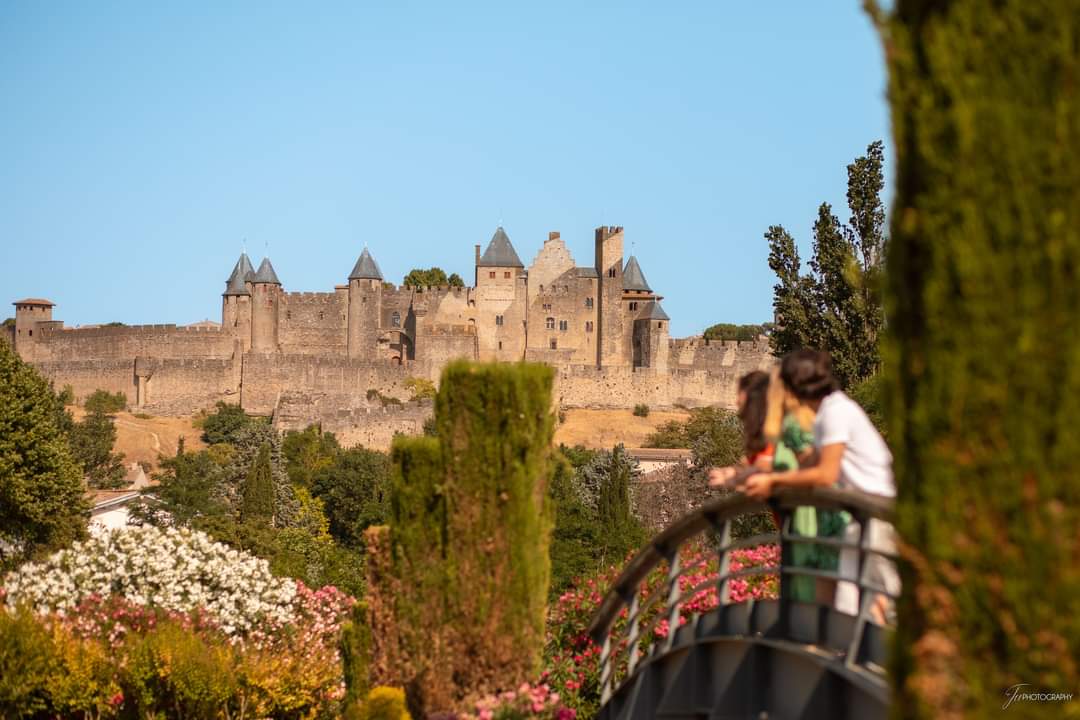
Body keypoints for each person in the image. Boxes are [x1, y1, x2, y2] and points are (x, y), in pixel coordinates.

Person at [741, 349, 898, 622]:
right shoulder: (827, 413)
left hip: (876, 515)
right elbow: (809, 463)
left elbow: (825, 474)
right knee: (848, 607)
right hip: (859, 518)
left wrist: (774, 480)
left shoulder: (836, 412)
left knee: (882, 603)